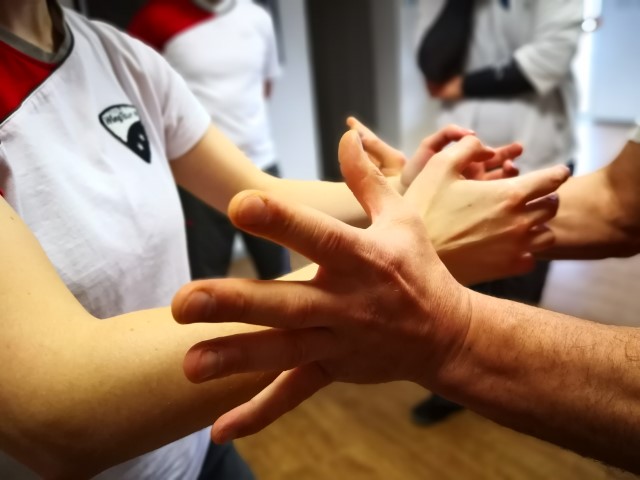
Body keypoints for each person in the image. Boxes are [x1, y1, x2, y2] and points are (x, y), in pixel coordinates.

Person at [0, 1, 568, 478]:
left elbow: (256, 187)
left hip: (196, 442)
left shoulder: (118, 56)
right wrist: (411, 245)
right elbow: (61, 415)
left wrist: (400, 190)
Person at [171, 125, 640, 474]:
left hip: (198, 451)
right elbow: (618, 203)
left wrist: (454, 326)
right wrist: (411, 205)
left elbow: (618, 206)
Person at [412, 0, 584, 424]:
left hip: (539, 152)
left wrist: (461, 86)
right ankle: (455, 385)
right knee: (461, 276)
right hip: (463, 159)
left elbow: (544, 63)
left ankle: (513, 379)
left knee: (524, 270)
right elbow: (433, 66)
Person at [128, 0, 291, 281]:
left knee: (281, 275)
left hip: (260, 165)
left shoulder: (258, 18)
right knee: (207, 284)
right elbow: (137, 99)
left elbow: (264, 87)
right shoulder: (155, 19)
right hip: (199, 179)